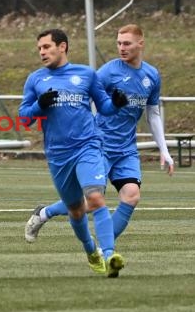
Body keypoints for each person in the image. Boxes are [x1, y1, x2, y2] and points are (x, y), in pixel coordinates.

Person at [25, 24, 174, 245]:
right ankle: (45, 213)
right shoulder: (108, 71)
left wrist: (164, 150)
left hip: (126, 148)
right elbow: (87, 96)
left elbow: (153, 113)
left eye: (127, 43)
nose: (121, 48)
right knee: (92, 201)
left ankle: (104, 244)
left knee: (132, 195)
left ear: (140, 44)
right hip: (99, 144)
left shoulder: (151, 75)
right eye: (118, 43)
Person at [18, 28, 129, 278]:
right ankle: (91, 251)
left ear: (62, 46)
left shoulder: (86, 74)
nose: (42, 52)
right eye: (39, 49)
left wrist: (118, 103)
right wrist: (39, 105)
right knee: (77, 210)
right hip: (58, 155)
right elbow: (24, 118)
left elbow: (106, 108)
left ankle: (110, 255)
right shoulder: (36, 79)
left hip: (88, 146)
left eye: (46, 47)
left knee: (96, 198)